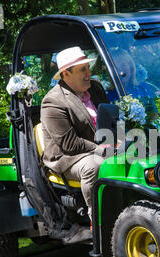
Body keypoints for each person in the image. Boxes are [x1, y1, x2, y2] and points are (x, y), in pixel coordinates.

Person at [40, 46, 111, 231]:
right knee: (94, 165)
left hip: (100, 145)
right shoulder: (53, 102)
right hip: (66, 156)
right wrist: (104, 149)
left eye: (88, 67)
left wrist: (117, 139)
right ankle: (98, 218)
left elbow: (109, 117)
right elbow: (69, 144)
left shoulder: (95, 88)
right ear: (66, 74)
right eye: (83, 70)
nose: (89, 73)